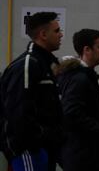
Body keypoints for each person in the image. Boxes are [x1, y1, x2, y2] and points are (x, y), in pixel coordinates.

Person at [0, 12, 63, 171]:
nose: (61, 35)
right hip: (29, 149)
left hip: (45, 148)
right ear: (43, 34)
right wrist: (38, 140)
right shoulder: (28, 65)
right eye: (56, 31)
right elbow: (18, 112)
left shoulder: (47, 65)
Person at [55, 29, 99, 171]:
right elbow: (71, 112)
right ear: (87, 50)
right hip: (87, 159)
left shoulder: (82, 77)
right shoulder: (79, 79)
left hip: (85, 156)